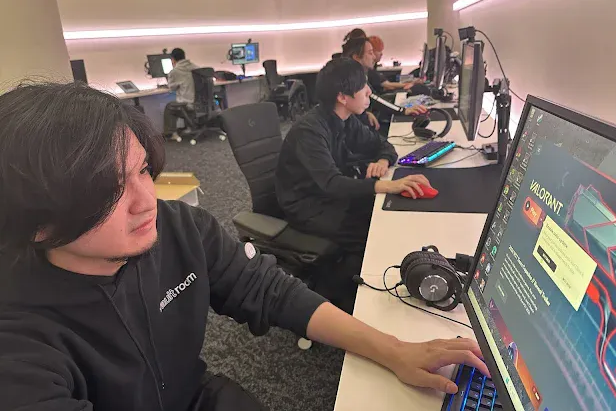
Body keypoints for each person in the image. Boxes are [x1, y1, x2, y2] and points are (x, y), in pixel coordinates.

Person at [0, 81, 488, 410]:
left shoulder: (177, 227)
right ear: (37, 222)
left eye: (143, 170)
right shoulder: (17, 339)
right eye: (110, 190)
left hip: (193, 396)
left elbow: (269, 290)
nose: (147, 200)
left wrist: (394, 349)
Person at [275, 58, 433, 309]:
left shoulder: (345, 119)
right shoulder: (310, 131)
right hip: (308, 206)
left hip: (331, 196)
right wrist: (385, 186)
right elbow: (332, 184)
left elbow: (383, 145)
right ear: (342, 97)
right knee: (373, 232)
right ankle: (332, 299)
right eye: (363, 87)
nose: (369, 91)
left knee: (387, 217)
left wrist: (382, 160)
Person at [164, 48, 200, 139]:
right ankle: (190, 127)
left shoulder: (174, 72)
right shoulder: (196, 67)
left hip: (188, 105)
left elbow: (171, 88)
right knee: (183, 100)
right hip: (201, 104)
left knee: (170, 106)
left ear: (173, 59)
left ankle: (171, 133)